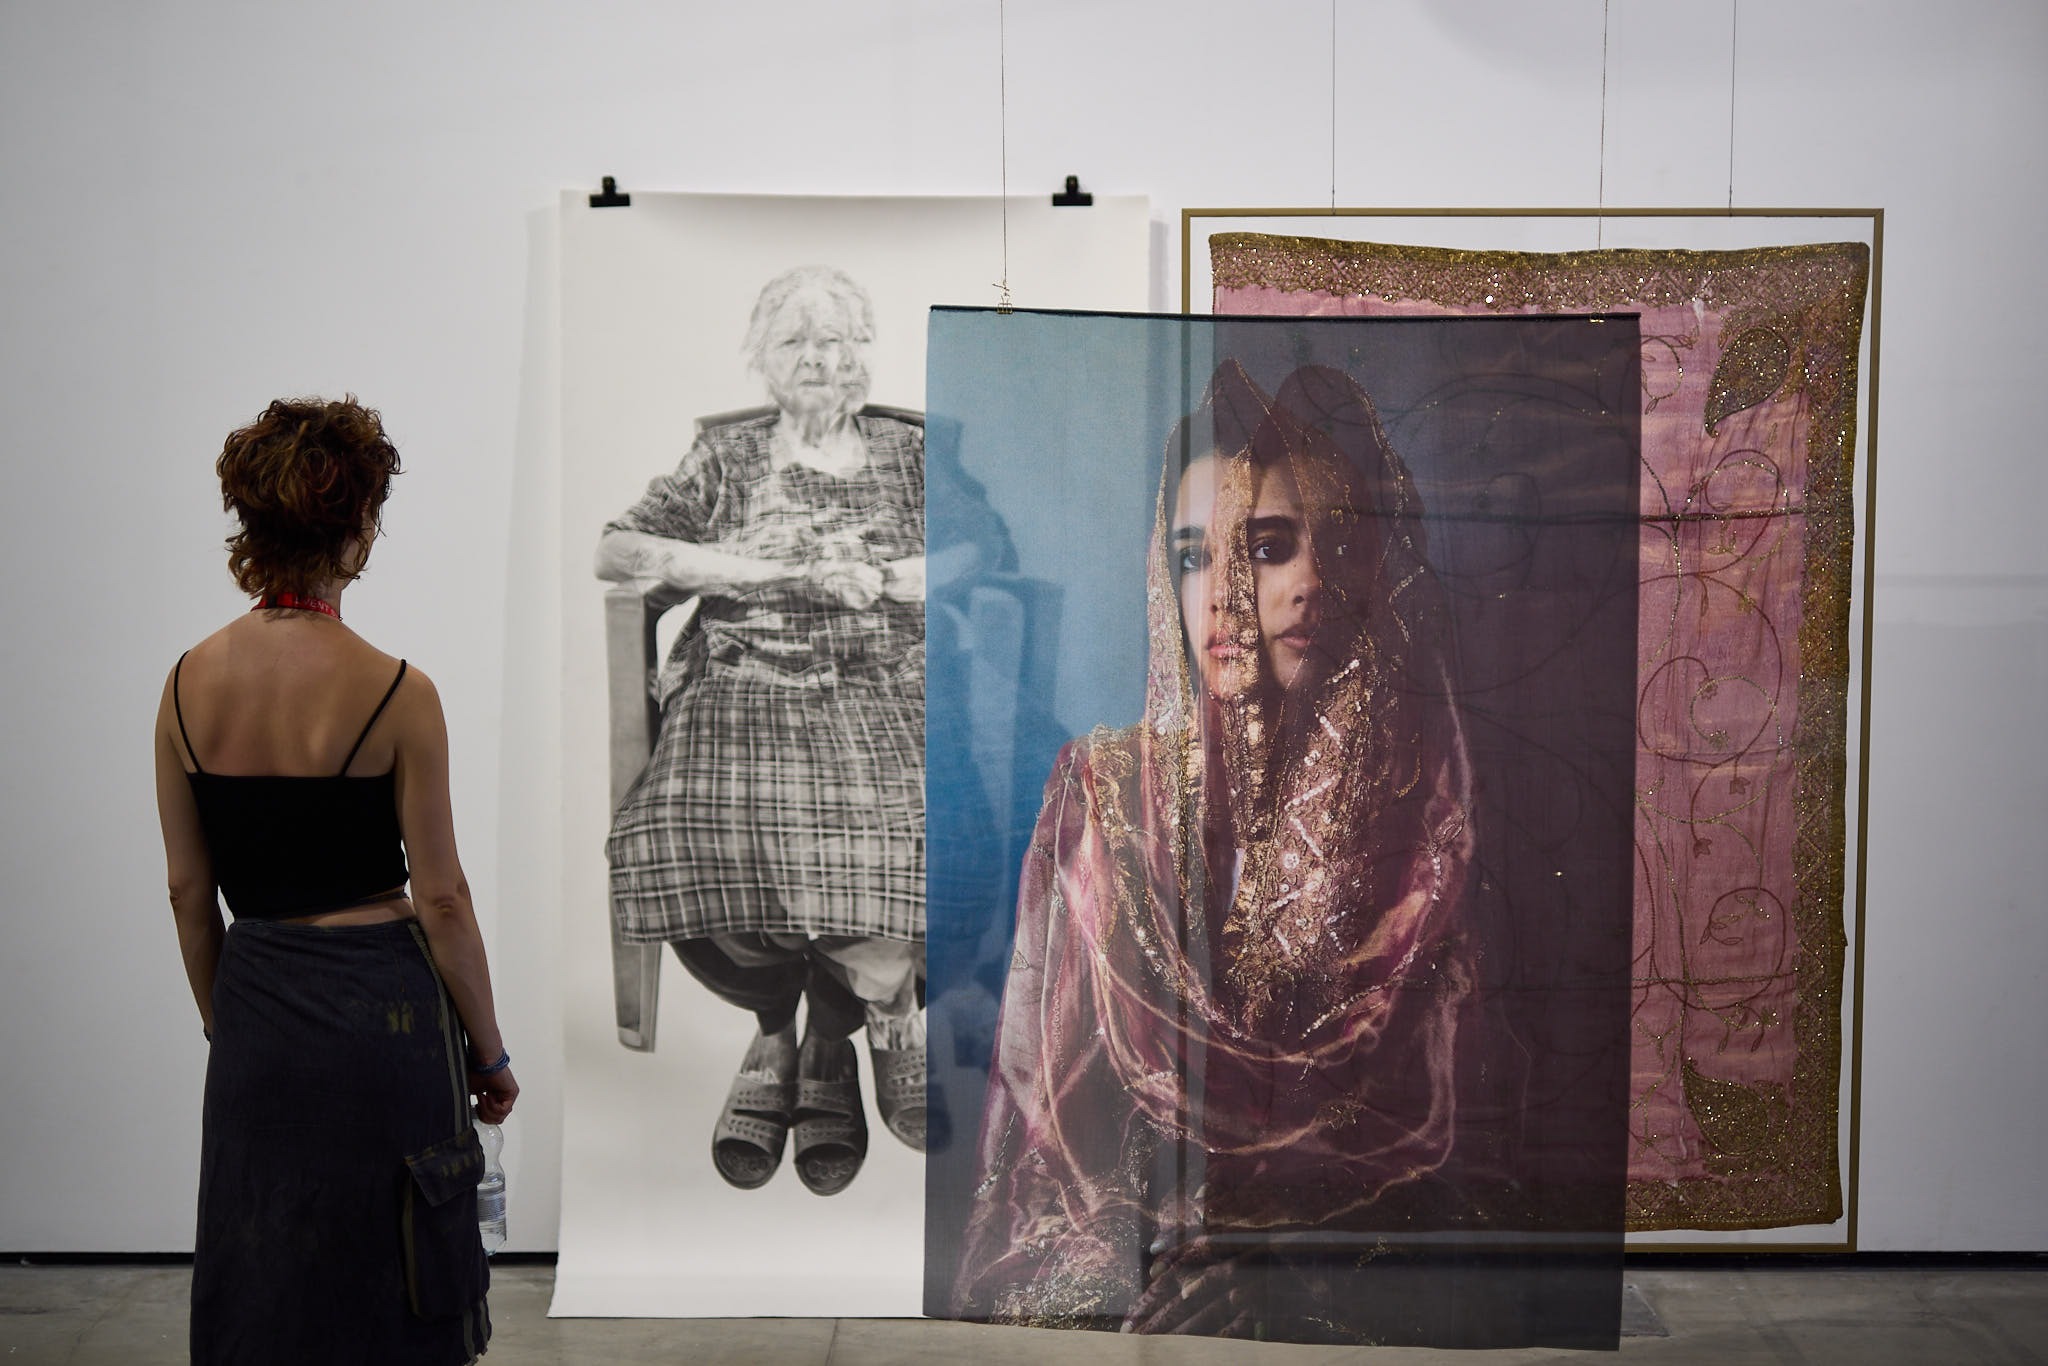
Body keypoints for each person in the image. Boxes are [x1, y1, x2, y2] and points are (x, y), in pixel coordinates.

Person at [951, 362, 1479, 1338]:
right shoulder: (1102, 794)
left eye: (1268, 547)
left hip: (1351, 1282)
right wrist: (1134, 1256)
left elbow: (1450, 1139)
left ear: (1352, 563)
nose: (1228, 594)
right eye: (1195, 555)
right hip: (1139, 1278)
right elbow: (1051, 1127)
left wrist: (1293, 1271)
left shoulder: (1425, 818)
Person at [597, 266, 996, 1194]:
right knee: (689, 821)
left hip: (886, 674)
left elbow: (984, 545)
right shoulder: (725, 459)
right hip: (745, 674)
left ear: (863, 354)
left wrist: (894, 578)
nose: (818, 358)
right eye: (794, 341)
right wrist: (752, 570)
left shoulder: (913, 450)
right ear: (761, 360)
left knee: (907, 820)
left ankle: (862, 1025)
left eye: (836, 340)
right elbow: (616, 547)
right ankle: (784, 1030)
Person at [155, 396, 514, 1365]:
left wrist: (230, 1023)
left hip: (258, 1002)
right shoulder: (399, 691)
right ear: (356, 529)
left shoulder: (186, 684)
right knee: (394, 1267)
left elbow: (191, 895)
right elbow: (442, 900)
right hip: (383, 1014)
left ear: (253, 523)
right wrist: (489, 1054)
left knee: (265, 1268)